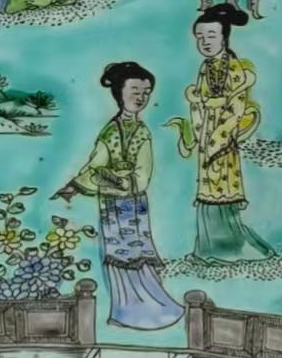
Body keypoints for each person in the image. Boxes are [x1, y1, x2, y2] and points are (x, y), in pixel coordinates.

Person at [54, 63, 184, 331]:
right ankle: (124, 312)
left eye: (146, 92)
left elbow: (143, 174)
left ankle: (154, 309)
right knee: (115, 255)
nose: (141, 97)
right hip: (110, 205)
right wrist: (74, 187)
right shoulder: (110, 130)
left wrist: (114, 180)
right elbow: (95, 165)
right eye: (135, 90)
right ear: (119, 93)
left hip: (133, 205)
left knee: (137, 254)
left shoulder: (142, 131)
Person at [168, 3, 274, 259]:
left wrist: (219, 138)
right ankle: (208, 249)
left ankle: (231, 248)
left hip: (223, 138)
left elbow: (237, 106)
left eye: (211, 36)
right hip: (207, 135)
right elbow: (200, 102)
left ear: (224, 38)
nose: (205, 42)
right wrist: (198, 107)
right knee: (207, 189)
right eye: (200, 37)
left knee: (223, 187)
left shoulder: (235, 69)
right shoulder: (205, 68)